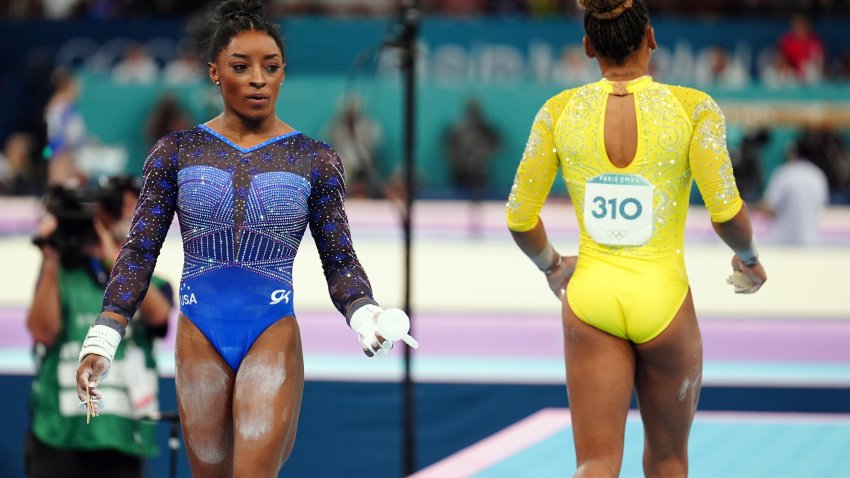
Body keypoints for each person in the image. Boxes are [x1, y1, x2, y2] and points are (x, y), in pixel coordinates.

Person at [74, 1, 418, 476]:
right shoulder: (175, 152)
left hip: (269, 329)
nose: (258, 78)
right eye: (241, 66)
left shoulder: (314, 160)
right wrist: (104, 335)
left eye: (270, 67)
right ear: (214, 72)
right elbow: (139, 251)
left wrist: (365, 313)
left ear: (283, 74)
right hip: (198, 331)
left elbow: (338, 259)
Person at [505, 1, 767, 477]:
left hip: (591, 300)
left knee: (595, 462)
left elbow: (521, 218)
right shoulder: (693, 109)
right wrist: (747, 257)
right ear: (651, 37)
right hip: (663, 300)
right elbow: (726, 212)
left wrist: (551, 264)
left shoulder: (559, 111)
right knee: (668, 461)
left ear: (588, 46)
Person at [26, 177, 173, 478]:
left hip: (122, 434)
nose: (130, 214)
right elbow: (42, 332)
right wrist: (51, 260)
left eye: (136, 206)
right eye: (125, 206)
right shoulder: (61, 278)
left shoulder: (150, 285)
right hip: (59, 432)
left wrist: (112, 257)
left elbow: (160, 318)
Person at [758, 135, 829, 245]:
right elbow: (821, 206)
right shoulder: (818, 176)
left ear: (793, 153)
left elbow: (769, 208)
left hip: (785, 241)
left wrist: (755, 209)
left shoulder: (784, 174)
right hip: (811, 240)